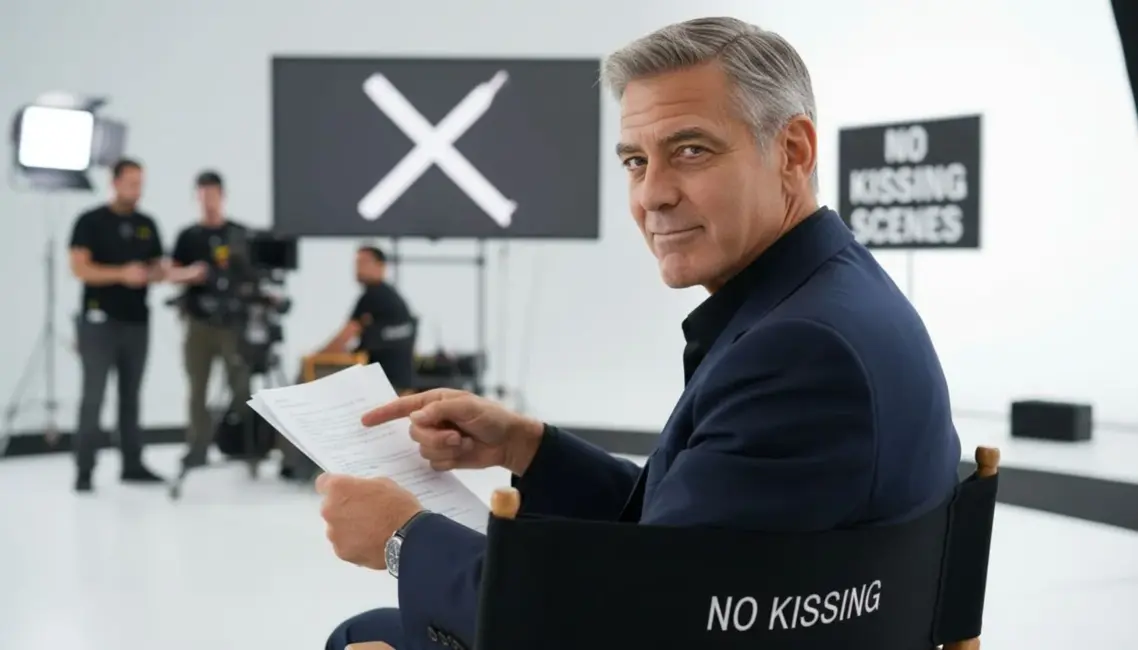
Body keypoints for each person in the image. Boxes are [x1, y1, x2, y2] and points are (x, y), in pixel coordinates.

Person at [318, 17, 963, 650]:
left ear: (792, 151)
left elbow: (633, 620)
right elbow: (688, 532)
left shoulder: (800, 354)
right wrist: (526, 447)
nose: (652, 195)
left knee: (363, 636)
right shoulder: (833, 299)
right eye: (635, 160)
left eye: (691, 151)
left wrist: (405, 538)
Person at [67, 158, 166, 491]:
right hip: (99, 322)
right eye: (131, 183)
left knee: (131, 397)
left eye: (140, 184)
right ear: (115, 182)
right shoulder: (90, 222)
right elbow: (80, 268)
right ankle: (84, 469)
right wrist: (121, 274)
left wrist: (156, 273)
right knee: (93, 396)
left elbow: (158, 266)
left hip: (137, 322)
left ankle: (132, 464)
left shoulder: (146, 224)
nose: (137, 190)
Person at [167, 170, 252, 471]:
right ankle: (197, 447)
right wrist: (191, 274)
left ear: (222, 195)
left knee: (241, 387)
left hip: (233, 324)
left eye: (213, 194)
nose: (208, 201)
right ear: (196, 197)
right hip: (199, 322)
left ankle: (248, 446)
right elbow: (170, 272)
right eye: (203, 195)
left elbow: (253, 274)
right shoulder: (189, 236)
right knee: (197, 388)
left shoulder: (239, 234)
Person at [318, 245, 417, 394]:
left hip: (383, 385)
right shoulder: (393, 297)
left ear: (381, 265)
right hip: (402, 384)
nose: (358, 268)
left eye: (364, 262)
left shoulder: (372, 296)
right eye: (357, 263)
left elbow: (345, 336)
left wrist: (315, 358)